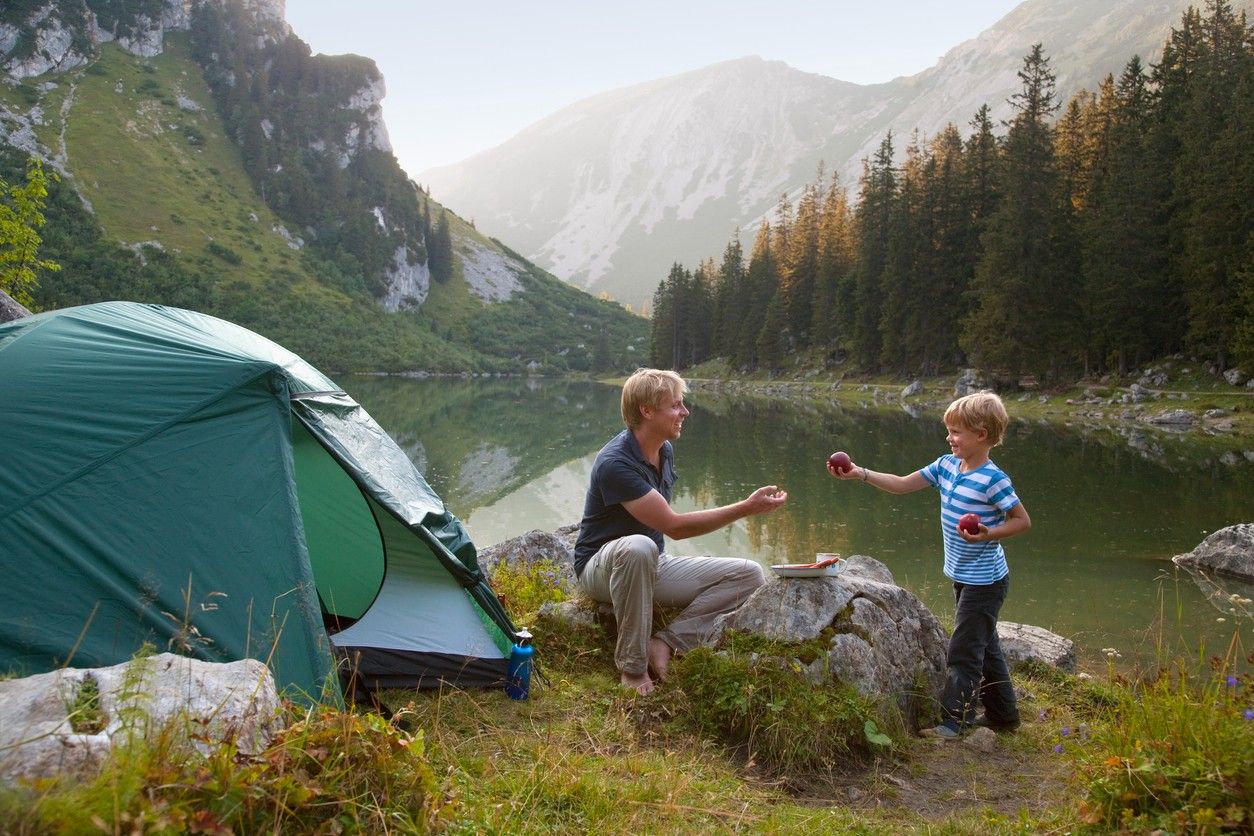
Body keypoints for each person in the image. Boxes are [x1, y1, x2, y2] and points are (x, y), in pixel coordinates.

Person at [828, 391, 1031, 738]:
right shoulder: (947, 465)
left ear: (981, 435)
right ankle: (1004, 715)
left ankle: (954, 722)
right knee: (986, 645)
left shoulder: (993, 480)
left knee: (964, 650)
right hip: (963, 576)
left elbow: (1022, 521)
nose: (949, 438)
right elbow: (904, 484)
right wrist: (860, 473)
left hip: (986, 581)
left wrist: (988, 534)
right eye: (949, 430)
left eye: (956, 432)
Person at [573, 368, 788, 695]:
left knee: (749, 575)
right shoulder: (615, 463)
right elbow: (674, 526)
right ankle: (632, 669)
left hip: (650, 563)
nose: (685, 412)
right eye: (675, 405)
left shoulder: (664, 451)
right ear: (647, 411)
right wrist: (746, 507)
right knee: (639, 547)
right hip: (602, 569)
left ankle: (666, 642)